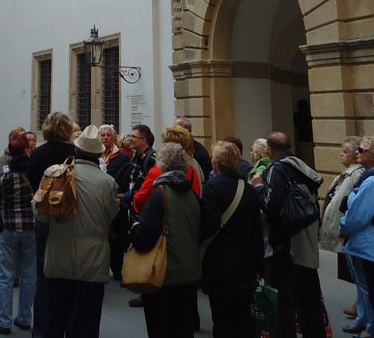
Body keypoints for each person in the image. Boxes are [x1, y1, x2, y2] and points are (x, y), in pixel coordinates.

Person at [39, 125, 119, 338]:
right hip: (93, 261)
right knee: (86, 322)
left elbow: (41, 215)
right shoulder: (108, 183)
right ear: (99, 154)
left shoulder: (56, 175)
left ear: (75, 150)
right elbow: (111, 215)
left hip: (59, 257)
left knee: (55, 318)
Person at [252, 130, 325, 338]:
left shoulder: (276, 169)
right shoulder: (303, 167)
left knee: (283, 306)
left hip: (284, 248)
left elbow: (272, 205)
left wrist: (258, 187)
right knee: (310, 303)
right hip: (306, 244)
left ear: (269, 150)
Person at [130, 142, 201, 338]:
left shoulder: (160, 193)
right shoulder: (192, 194)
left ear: (161, 164)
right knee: (183, 328)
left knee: (161, 326)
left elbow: (145, 235)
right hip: (188, 271)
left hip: (163, 272)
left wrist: (135, 228)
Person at [201, 141, 264, 338]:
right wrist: (259, 266)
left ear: (216, 163)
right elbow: (257, 230)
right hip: (245, 262)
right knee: (243, 318)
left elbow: (209, 226)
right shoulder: (249, 189)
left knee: (222, 319)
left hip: (219, 263)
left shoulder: (211, 188)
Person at [28, 111, 74, 338]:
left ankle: (40, 328)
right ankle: (63, 325)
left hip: (44, 217)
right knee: (67, 276)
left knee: (42, 277)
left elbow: (33, 185)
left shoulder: (37, 154)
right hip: (68, 219)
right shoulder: (74, 154)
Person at [0, 131, 36, 334]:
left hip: (7, 226)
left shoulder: (3, 172)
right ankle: (24, 317)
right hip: (31, 226)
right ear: (27, 148)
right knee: (29, 275)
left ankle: (3, 321)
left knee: (5, 275)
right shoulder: (34, 170)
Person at [320, 137, 363, 327]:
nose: (341, 154)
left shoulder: (357, 174)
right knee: (355, 273)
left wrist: (345, 227)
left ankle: (362, 309)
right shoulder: (346, 174)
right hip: (342, 229)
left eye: (345, 152)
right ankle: (360, 306)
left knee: (359, 273)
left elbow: (353, 204)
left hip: (348, 230)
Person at [339, 136, 374, 338]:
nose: (357, 153)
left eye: (362, 150)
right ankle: (363, 320)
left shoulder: (371, 181)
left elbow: (359, 215)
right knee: (362, 286)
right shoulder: (366, 177)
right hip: (361, 241)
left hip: (366, 241)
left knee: (368, 286)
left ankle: (370, 327)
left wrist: (343, 227)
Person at [122, 124, 156, 308]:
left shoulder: (152, 159)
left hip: (144, 208)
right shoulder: (136, 156)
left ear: (144, 140)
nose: (130, 139)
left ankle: (146, 289)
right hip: (134, 206)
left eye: (134, 136)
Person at [99, 124, 131, 281]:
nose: (105, 138)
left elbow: (125, 180)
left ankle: (117, 268)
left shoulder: (122, 157)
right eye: (103, 135)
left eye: (108, 135)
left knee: (116, 236)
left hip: (116, 201)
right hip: (98, 203)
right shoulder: (95, 155)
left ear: (114, 137)